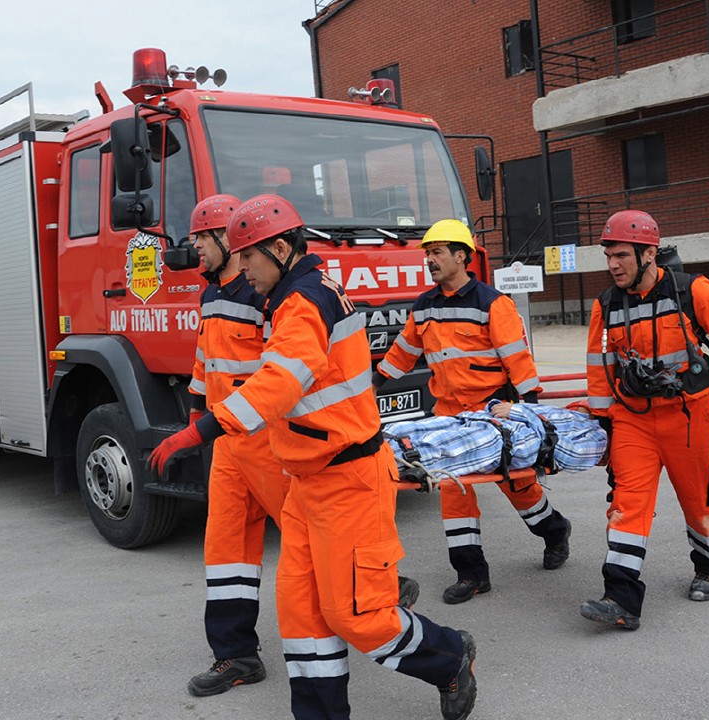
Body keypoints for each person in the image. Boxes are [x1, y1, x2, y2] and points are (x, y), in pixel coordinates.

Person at [151, 195, 477, 720]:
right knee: (302, 616)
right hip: (308, 480)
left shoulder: (303, 302)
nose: (243, 268)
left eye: (249, 256)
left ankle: (450, 656)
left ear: (280, 250)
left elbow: (280, 380)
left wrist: (201, 430)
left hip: (347, 479)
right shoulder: (292, 295)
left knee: (357, 616)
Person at [580, 209, 709, 631]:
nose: (613, 265)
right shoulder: (605, 305)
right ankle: (621, 598)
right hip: (632, 420)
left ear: (649, 254)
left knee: (698, 498)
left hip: (688, 417)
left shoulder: (691, 290)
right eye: (609, 256)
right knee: (627, 504)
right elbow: (599, 370)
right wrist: (602, 425)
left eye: (621, 256)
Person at [375, 219, 572, 605]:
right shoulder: (424, 306)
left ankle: (554, 531)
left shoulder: (491, 303)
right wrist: (370, 387)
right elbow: (402, 354)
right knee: (454, 492)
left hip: (491, 414)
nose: (430, 260)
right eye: (428, 253)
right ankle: (471, 574)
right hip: (449, 416)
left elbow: (518, 360)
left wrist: (531, 415)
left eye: (437, 252)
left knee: (519, 487)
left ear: (461, 256)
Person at [180, 194, 288, 698]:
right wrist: (196, 411)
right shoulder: (210, 294)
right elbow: (206, 359)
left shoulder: (264, 294)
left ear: (226, 238)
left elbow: (281, 373)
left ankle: (380, 591)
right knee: (226, 552)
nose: (196, 248)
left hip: (268, 440)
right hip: (227, 443)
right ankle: (236, 655)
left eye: (202, 238)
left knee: (312, 532)